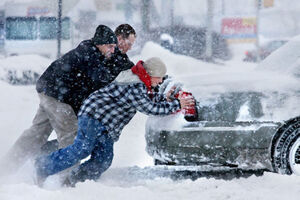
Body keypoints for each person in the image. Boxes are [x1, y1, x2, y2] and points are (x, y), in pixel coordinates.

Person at [34, 57, 195, 187]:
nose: (160, 82)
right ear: (151, 74)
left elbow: (150, 98)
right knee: (81, 149)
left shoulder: (142, 82)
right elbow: (149, 108)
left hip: (106, 125)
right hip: (93, 115)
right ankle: (41, 166)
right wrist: (178, 104)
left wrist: (166, 99)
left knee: (103, 159)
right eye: (159, 79)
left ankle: (77, 181)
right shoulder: (134, 84)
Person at [1, 24, 137, 173]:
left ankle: (8, 166)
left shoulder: (102, 52)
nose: (128, 47)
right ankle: (65, 178)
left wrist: (141, 74)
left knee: (37, 133)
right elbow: (99, 80)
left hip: (50, 90)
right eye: (128, 43)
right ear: (111, 41)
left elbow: (122, 66)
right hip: (58, 96)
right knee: (70, 135)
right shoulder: (90, 54)